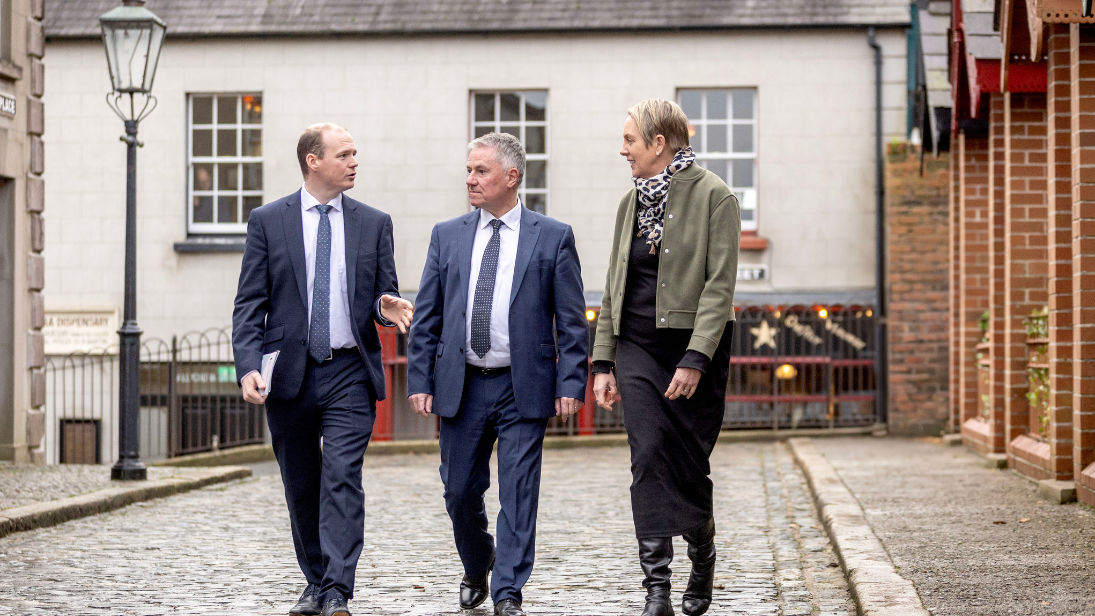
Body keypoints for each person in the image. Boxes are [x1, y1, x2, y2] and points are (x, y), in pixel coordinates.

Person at [232, 123, 414, 616]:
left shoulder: (374, 222)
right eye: (345, 154)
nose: (355, 162)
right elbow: (250, 304)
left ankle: (337, 587)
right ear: (313, 160)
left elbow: (381, 294)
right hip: (288, 374)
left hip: (348, 372)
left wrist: (387, 307)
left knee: (341, 475)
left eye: (356, 154)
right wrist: (247, 366)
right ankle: (315, 579)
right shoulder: (269, 221)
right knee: (301, 481)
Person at [406, 132, 589, 616]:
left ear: (511, 176)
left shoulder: (552, 237)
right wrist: (420, 379)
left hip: (522, 385)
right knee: (459, 490)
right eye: (468, 170)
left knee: (518, 490)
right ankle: (477, 562)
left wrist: (571, 382)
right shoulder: (447, 235)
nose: (470, 179)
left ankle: (508, 591)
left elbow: (571, 320)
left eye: (480, 171)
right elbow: (427, 314)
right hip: (462, 383)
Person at [592, 100, 740, 616]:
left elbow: (719, 288)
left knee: (686, 464)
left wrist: (696, 357)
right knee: (648, 454)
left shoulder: (716, 197)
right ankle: (656, 589)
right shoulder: (628, 204)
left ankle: (703, 555)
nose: (622, 149)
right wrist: (603, 363)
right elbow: (613, 287)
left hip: (694, 352)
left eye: (630, 139)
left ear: (659, 144)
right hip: (637, 350)